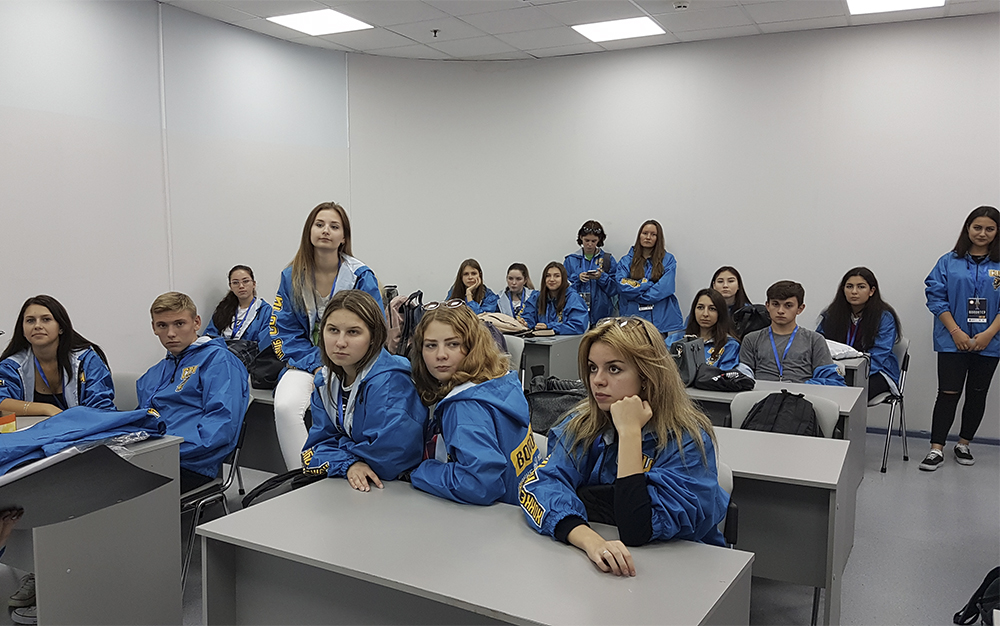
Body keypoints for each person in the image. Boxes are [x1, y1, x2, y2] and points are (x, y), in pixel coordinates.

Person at [519, 316, 729, 576]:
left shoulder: (686, 440)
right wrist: (590, 540)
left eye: (614, 369)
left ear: (647, 375)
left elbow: (637, 529)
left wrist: (630, 433)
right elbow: (539, 486)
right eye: (592, 368)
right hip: (606, 568)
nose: (597, 380)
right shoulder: (582, 425)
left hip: (684, 570)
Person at [271, 202, 383, 471]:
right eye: (319, 224)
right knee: (285, 406)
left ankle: (346, 467)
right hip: (307, 361)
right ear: (309, 231)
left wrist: (340, 364)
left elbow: (375, 329)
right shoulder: (291, 276)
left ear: (343, 237)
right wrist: (317, 363)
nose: (325, 231)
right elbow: (284, 331)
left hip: (352, 363)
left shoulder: (360, 276)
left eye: (334, 226)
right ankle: (301, 477)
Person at [408, 300, 539, 505]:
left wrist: (420, 470)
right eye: (431, 345)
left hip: (497, 517)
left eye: (453, 344)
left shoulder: (464, 406)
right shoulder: (501, 380)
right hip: (524, 504)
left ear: (472, 346)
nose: (441, 355)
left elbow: (479, 484)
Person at [301, 290, 425, 490]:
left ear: (374, 337)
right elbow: (316, 447)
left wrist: (342, 451)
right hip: (353, 480)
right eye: (333, 330)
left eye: (353, 332)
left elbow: (390, 459)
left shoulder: (390, 382)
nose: (340, 342)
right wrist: (350, 462)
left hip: (395, 488)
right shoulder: (325, 381)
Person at [137, 292, 249, 494]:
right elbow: (141, 419)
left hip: (191, 463)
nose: (171, 333)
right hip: (154, 456)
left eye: (179, 324)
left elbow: (220, 428)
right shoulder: (154, 373)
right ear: (154, 327)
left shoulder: (219, 361)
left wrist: (165, 451)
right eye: (162, 325)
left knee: (114, 498)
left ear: (196, 323)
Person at [920, 206, 1000, 471]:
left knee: (977, 394)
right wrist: (956, 331)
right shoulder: (948, 261)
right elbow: (936, 297)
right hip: (951, 340)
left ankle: (964, 444)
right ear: (968, 228)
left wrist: (988, 334)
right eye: (977, 227)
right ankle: (936, 448)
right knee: (948, 393)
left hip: (990, 342)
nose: (982, 233)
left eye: (989, 228)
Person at [0, 295, 115, 417]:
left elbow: (102, 408)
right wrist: (46, 408)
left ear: (61, 327)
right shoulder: (12, 366)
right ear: (23, 330)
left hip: (81, 427)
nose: (37, 326)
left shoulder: (87, 361)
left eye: (46, 319)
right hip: (33, 429)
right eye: (30, 321)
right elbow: (2, 403)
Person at [817, 267, 902, 400]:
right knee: (819, 387)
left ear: (871, 291)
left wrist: (854, 372)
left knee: (848, 395)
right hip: (838, 370)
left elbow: (879, 355)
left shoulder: (884, 317)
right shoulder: (832, 314)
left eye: (861, 287)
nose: (854, 292)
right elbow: (819, 344)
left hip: (876, 372)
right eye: (849, 286)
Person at [738, 281, 845, 385]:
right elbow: (743, 377)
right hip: (761, 394)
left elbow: (831, 379)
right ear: (767, 306)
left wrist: (802, 387)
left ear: (800, 309)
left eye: (788, 305)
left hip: (802, 393)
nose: (780, 311)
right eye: (775, 304)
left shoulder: (814, 340)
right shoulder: (751, 339)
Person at [616, 220, 682, 335]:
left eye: (653, 234)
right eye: (645, 233)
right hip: (632, 320)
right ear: (639, 235)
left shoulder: (668, 260)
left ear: (658, 238)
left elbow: (665, 288)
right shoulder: (626, 261)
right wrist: (647, 285)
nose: (648, 237)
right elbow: (622, 285)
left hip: (659, 321)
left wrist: (638, 294)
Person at [665, 289, 741, 370]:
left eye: (712, 309)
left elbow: (724, 375)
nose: (705, 314)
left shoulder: (730, 345)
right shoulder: (674, 339)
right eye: (700, 307)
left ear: (720, 313)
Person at [204, 265, 274, 350]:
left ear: (254, 284)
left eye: (245, 281)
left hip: (248, 355)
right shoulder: (223, 308)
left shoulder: (265, 311)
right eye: (235, 283)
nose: (241, 286)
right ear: (230, 287)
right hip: (221, 353)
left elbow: (264, 345)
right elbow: (209, 335)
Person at [564, 220, 618, 326]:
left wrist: (601, 277)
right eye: (586, 240)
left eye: (594, 241)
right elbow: (564, 289)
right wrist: (577, 279)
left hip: (602, 315)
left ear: (599, 240)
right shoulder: (570, 260)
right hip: (576, 314)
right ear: (581, 238)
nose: (589, 244)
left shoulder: (607, 259)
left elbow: (615, 289)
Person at [522, 262, 588, 335]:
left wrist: (550, 327)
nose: (552, 279)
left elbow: (578, 326)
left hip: (565, 341)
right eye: (548, 276)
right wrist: (525, 323)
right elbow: (528, 316)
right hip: (539, 339)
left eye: (557, 276)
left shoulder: (573, 298)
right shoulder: (536, 297)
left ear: (564, 278)